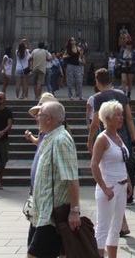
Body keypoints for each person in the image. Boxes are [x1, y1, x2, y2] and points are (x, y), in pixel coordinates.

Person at [27, 100, 81, 258]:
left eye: (39, 115)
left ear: (49, 118)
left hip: (52, 217)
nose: (37, 118)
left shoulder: (61, 140)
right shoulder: (49, 137)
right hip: (42, 213)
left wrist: (74, 211)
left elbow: (72, 179)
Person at [91, 100, 132, 258]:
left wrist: (127, 181)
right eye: (117, 115)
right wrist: (104, 187)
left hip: (121, 186)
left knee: (116, 228)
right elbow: (94, 165)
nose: (121, 118)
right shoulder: (102, 139)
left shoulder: (118, 137)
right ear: (107, 118)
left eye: (121, 115)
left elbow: (122, 161)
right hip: (109, 188)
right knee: (103, 228)